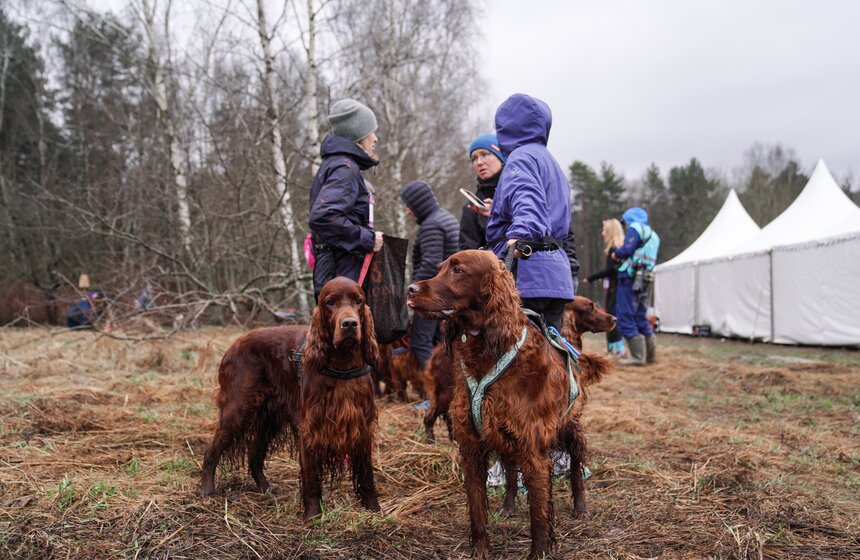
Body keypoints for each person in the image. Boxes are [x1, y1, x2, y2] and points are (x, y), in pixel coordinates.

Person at [483, 94, 574, 332]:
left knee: (517, 363)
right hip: (556, 277)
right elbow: (549, 210)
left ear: (505, 127)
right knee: (549, 359)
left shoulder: (520, 157)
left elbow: (527, 198)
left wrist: (521, 234)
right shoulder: (549, 161)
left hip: (528, 275)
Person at [463, 133, 581, 289]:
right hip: (497, 283)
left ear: (501, 156)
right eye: (474, 158)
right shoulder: (472, 207)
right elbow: (468, 249)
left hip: (543, 277)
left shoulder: (527, 181)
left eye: (485, 154)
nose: (479, 162)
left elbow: (561, 229)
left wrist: (571, 271)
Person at [308, 99, 384, 299]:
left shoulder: (335, 165)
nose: (375, 138)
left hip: (335, 274)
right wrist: (368, 239)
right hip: (342, 278)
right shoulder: (345, 169)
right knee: (345, 331)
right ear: (359, 136)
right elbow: (324, 217)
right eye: (371, 132)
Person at [399, 180, 459, 370]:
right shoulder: (446, 218)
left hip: (432, 296)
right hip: (448, 295)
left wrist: (414, 293)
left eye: (410, 206)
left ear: (418, 204)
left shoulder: (432, 226)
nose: (409, 211)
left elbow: (429, 265)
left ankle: (432, 395)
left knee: (421, 343)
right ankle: (450, 391)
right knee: (443, 343)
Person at [612, 207, 661, 366]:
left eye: (624, 222)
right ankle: (651, 356)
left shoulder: (635, 228)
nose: (625, 226)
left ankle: (638, 357)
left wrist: (616, 253)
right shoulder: (654, 235)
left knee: (625, 315)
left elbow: (627, 250)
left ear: (629, 219)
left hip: (630, 278)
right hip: (645, 279)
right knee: (640, 316)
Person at [582, 219, 626, 356]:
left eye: (604, 230)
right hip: (612, 289)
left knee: (612, 317)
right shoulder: (615, 251)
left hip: (616, 289)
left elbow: (610, 270)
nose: (602, 233)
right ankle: (612, 347)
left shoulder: (616, 251)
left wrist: (591, 278)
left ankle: (619, 349)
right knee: (610, 315)